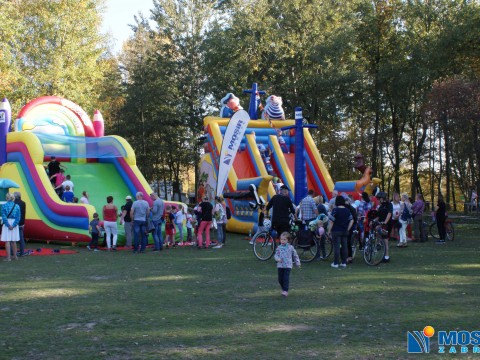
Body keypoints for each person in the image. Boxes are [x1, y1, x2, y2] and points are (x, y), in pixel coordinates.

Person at [327, 196, 354, 268]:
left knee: (337, 247)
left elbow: (331, 221)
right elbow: (352, 220)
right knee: (344, 247)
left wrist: (329, 231)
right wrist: (348, 229)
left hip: (336, 231)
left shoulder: (335, 210)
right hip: (345, 231)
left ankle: (335, 263)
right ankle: (343, 262)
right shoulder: (347, 210)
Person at [274, 232, 301, 297]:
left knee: (285, 278)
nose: (282, 241)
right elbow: (276, 255)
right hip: (280, 266)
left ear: (288, 240)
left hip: (288, 266)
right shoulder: (279, 248)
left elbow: (295, 255)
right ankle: (284, 289)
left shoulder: (290, 247)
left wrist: (297, 263)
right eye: (281, 239)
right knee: (280, 279)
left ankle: (285, 291)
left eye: (284, 239)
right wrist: (277, 259)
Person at [373, 192, 393, 262]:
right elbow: (378, 216)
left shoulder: (389, 204)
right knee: (376, 229)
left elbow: (389, 214)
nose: (378, 200)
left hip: (386, 224)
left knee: (385, 240)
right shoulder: (381, 206)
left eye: (379, 199)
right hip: (381, 223)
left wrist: (385, 222)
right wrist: (373, 220)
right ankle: (379, 242)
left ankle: (387, 257)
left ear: (382, 198)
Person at [1, 193, 20, 261]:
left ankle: (8, 257)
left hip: (7, 224)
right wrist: (14, 225)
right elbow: (18, 217)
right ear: (13, 198)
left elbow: (4, 217)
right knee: (13, 241)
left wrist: (8, 225)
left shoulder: (4, 206)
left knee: (7, 241)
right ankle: (15, 256)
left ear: (6, 198)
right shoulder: (17, 206)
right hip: (14, 224)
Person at [13, 192, 26, 257]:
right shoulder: (23, 203)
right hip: (21, 222)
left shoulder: (14, 203)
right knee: (21, 238)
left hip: (15, 222)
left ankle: (12, 252)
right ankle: (22, 252)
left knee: (12, 238)